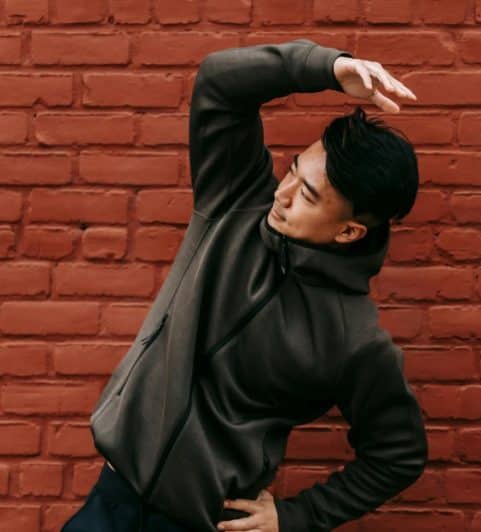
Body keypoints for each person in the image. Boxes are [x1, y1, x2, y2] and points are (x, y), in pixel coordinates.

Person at [62, 40, 427, 532]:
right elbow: (218, 82)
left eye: (309, 196)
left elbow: (398, 455)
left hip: (203, 523)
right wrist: (329, 68)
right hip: (112, 502)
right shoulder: (233, 204)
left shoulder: (355, 339)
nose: (283, 194)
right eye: (294, 170)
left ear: (348, 231)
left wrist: (296, 517)